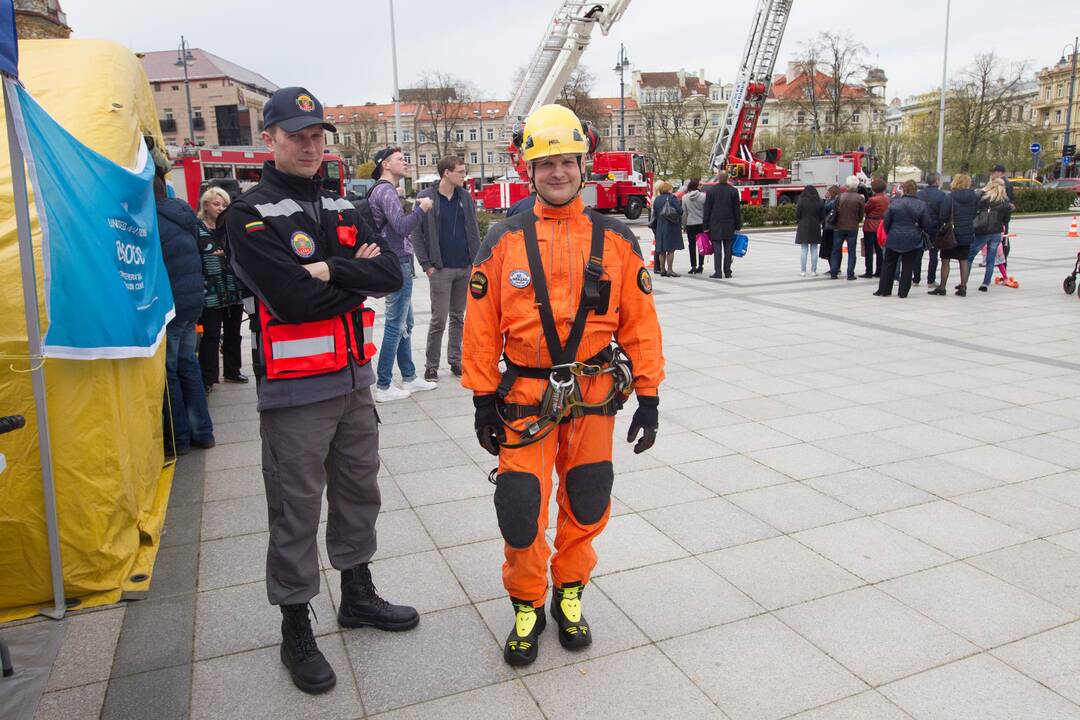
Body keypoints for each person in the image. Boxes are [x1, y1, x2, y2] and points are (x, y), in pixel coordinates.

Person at [225, 87, 417, 695]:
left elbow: (391, 270)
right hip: (294, 396)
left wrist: (331, 268)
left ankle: (356, 594)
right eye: (297, 136)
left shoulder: (341, 202)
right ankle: (294, 626)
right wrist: (347, 277)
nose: (311, 146)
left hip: (355, 383)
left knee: (361, 493)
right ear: (271, 139)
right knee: (295, 511)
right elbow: (291, 299)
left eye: (317, 136)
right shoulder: (249, 212)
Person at [461, 104, 665, 668]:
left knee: (587, 496)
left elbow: (641, 323)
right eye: (546, 163)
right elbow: (480, 328)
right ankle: (527, 602)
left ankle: (568, 592)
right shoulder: (501, 241)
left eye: (567, 162)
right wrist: (482, 398)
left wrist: (648, 395)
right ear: (529, 170)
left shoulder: (617, 239)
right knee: (521, 506)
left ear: (584, 165)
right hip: (523, 396)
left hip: (595, 394)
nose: (558, 173)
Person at [368, 146, 436, 402]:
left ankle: (409, 376)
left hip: (398, 259)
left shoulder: (385, 191)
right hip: (396, 261)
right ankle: (384, 385)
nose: (405, 162)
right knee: (396, 324)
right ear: (385, 164)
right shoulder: (385, 191)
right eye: (399, 159)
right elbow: (400, 226)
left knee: (405, 323)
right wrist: (422, 209)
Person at [158, 168, 215, 456]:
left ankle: (179, 439)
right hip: (192, 299)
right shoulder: (182, 211)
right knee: (189, 365)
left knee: (170, 371)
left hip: (169, 303)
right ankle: (203, 433)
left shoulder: (148, 217)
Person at [413, 155, 480, 381]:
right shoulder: (426, 198)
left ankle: (455, 360)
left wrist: (476, 261)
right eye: (460, 172)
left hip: (465, 266)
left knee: (458, 317)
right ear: (446, 173)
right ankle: (431, 365)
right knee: (438, 319)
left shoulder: (465, 197)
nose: (464, 175)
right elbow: (417, 235)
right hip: (440, 269)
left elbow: (473, 230)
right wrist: (427, 266)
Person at [195, 187, 246, 392]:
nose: (221, 208)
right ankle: (208, 378)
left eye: (224, 205)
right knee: (211, 334)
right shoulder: (197, 229)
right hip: (210, 290)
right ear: (205, 206)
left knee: (234, 331)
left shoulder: (230, 228)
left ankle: (232, 371)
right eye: (217, 204)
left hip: (233, 287)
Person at [874, 180, 935, 299]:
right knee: (908, 265)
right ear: (915, 190)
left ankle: (884, 290)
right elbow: (927, 223)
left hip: (894, 237)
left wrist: (890, 232)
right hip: (913, 239)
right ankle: (902, 292)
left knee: (888, 264)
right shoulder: (921, 205)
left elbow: (886, 222)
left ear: (904, 189)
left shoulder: (895, 203)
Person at [934, 173, 977, 296]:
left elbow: (943, 215)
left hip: (951, 233)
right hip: (967, 231)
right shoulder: (973, 196)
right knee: (963, 260)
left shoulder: (950, 197)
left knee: (945, 260)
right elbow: (975, 213)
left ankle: (942, 287)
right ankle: (963, 287)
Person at [968, 176, 1013, 293]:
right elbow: (1006, 219)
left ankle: (964, 281)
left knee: (970, 256)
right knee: (991, 259)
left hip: (982, 231)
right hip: (996, 232)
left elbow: (974, 205)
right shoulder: (1005, 201)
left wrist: (983, 190)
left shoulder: (984, 198)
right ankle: (985, 283)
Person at [702, 170, 742, 278]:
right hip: (729, 224)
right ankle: (727, 271)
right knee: (728, 248)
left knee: (717, 248)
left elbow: (707, 210)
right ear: (728, 178)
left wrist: (705, 226)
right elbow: (737, 210)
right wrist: (738, 225)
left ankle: (718, 272)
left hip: (715, 224)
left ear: (718, 178)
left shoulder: (711, 191)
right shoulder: (733, 191)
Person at [915, 172, 951, 287]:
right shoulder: (942, 195)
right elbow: (944, 214)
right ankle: (931, 280)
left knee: (918, 254)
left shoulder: (919, 194)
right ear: (936, 181)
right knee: (933, 255)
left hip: (920, 227)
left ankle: (916, 278)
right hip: (935, 228)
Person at [831, 175, 865, 280]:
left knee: (836, 250)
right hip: (852, 227)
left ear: (846, 185)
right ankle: (850, 274)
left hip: (839, 227)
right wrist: (856, 220)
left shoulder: (839, 197)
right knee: (851, 251)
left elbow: (835, 211)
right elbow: (861, 215)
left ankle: (834, 272)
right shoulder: (860, 198)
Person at [649, 180, 683, 277]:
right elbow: (680, 211)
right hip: (671, 226)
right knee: (670, 250)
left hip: (660, 226)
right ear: (668, 189)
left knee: (662, 249)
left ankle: (662, 269)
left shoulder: (657, 199)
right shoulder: (672, 198)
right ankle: (670, 270)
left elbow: (654, 214)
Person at [860, 178, 889, 278]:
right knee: (879, 249)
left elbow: (866, 209)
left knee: (869, 250)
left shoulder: (873, 199)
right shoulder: (886, 199)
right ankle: (879, 271)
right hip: (881, 225)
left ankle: (869, 271)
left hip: (870, 225)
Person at [794, 185, 823, 276]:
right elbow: (822, 216)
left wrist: (799, 220)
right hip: (815, 226)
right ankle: (813, 271)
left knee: (804, 249)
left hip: (803, 226)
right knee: (814, 249)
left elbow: (797, 214)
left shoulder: (801, 200)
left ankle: (803, 270)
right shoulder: (820, 201)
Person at [681, 178, 706, 274]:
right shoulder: (703, 196)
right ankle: (701, 265)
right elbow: (706, 211)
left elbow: (684, 213)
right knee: (702, 244)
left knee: (692, 245)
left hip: (690, 223)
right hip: (701, 223)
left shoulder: (685, 197)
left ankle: (693, 266)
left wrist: (684, 225)